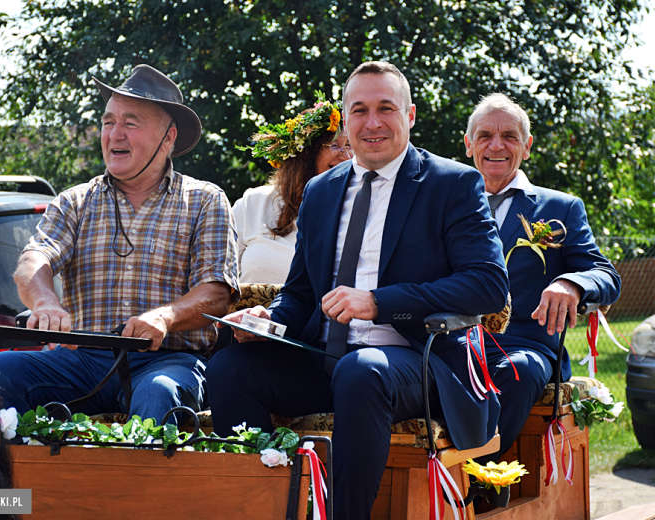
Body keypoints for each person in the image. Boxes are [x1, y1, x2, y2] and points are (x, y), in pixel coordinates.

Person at [207, 62, 509, 519]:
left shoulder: (452, 184)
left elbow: (488, 284)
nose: (372, 123)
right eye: (359, 110)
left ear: (409, 115)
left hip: (417, 360)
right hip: (325, 359)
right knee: (231, 367)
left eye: (385, 108)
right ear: (345, 122)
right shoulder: (321, 191)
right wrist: (269, 320)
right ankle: (273, 504)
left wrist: (379, 302)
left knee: (362, 370)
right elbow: (301, 293)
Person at [0, 65, 239, 424]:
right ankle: (6, 482)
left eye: (130, 123)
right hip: (81, 361)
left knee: (159, 390)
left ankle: (138, 482)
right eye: (108, 122)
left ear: (168, 138)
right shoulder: (74, 200)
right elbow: (34, 258)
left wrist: (165, 317)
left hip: (167, 360)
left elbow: (217, 293)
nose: (114, 134)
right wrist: (44, 301)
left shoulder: (205, 200)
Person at [463, 93, 621, 461]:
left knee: (516, 373)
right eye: (484, 135)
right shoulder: (442, 201)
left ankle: (482, 479)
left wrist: (572, 283)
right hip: (450, 343)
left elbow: (605, 274)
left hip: (524, 348)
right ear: (469, 144)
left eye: (510, 136)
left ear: (527, 146)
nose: (496, 145)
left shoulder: (560, 208)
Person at [233, 98, 351, 283]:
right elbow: (217, 279)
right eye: (335, 145)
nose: (347, 156)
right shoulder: (253, 204)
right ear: (306, 154)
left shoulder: (352, 212)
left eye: (349, 146)